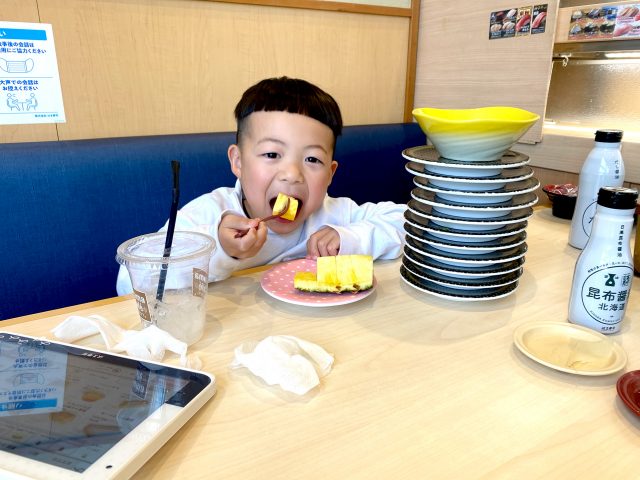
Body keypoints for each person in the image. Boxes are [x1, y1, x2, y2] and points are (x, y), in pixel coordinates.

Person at [117, 76, 405, 295]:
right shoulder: (210, 214)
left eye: (312, 159)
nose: (292, 174)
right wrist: (219, 247)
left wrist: (350, 238)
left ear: (330, 174)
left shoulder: (333, 215)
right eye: (271, 154)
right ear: (238, 162)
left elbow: (412, 224)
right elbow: (129, 281)